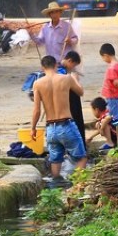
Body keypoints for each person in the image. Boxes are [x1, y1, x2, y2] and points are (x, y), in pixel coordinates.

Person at [30, 55, 87, 184]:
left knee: (55, 161)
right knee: (81, 158)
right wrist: (75, 78)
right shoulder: (67, 79)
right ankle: (77, 187)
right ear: (56, 65)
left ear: (42, 67)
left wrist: (32, 128)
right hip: (66, 125)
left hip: (50, 129)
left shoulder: (37, 83)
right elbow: (80, 92)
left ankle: (56, 188)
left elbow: (37, 110)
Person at [61, 50, 87, 149]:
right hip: (71, 104)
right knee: (76, 126)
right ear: (70, 61)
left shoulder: (56, 69)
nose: (74, 67)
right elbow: (80, 92)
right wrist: (75, 79)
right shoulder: (66, 74)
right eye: (74, 65)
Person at [99, 42, 118, 127]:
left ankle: (117, 131)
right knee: (114, 112)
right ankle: (115, 130)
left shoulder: (112, 67)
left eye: (103, 57)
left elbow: (115, 82)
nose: (104, 60)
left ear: (106, 55)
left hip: (112, 95)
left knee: (114, 115)